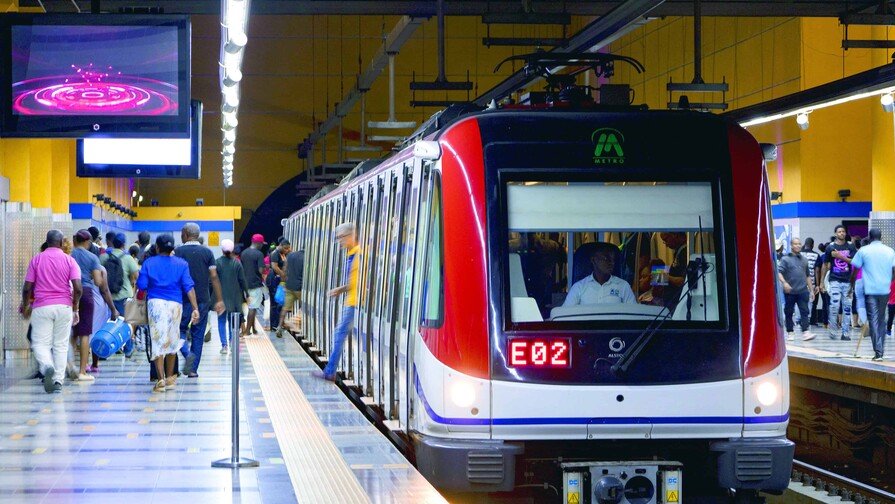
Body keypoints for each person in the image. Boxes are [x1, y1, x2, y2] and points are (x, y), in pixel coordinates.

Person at [20, 230, 83, 394]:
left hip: (42, 307)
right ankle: (58, 380)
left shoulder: (36, 259)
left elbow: (27, 288)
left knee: (40, 343)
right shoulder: (70, 260)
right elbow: (78, 288)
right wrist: (75, 307)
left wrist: (25, 305)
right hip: (64, 306)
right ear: (61, 243)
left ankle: (47, 365)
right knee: (61, 345)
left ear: (47, 242)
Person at [137, 234, 200, 392]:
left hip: (156, 304)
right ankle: (171, 378)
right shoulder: (182, 264)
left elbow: (142, 285)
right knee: (173, 339)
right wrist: (195, 308)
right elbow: (189, 287)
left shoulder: (149, 263)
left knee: (158, 340)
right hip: (175, 305)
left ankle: (160, 380)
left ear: (157, 247)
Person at [173, 223, 225, 377]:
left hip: (181, 298)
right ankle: (193, 370)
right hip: (202, 298)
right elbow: (214, 276)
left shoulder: (177, 252)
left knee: (179, 331)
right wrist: (219, 299)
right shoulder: (207, 252)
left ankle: (186, 353)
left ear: (185, 234)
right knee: (198, 334)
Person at [71, 230, 120, 380]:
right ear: (88, 242)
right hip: (89, 297)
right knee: (87, 333)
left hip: (70, 294)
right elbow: (100, 285)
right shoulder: (93, 260)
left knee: (73, 333)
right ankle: (85, 368)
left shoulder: (69, 255)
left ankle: (70, 365)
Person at [315, 223, 361, 381]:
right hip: (351, 301)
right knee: (340, 333)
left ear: (352, 235)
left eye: (342, 237)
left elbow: (359, 283)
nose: (340, 241)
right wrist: (341, 290)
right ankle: (330, 371)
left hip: (355, 303)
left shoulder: (359, 255)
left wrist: (341, 289)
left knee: (340, 333)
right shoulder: (353, 254)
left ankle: (330, 372)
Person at [848, 229, 895, 361]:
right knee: (881, 319)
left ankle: (878, 352)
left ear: (869, 237)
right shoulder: (890, 251)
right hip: (885, 289)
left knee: (873, 319)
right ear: (881, 237)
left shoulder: (864, 251)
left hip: (870, 290)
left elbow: (855, 270)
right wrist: (889, 280)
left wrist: (851, 286)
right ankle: (880, 350)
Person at [101, 232, 140, 357]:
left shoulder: (104, 257)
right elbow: (137, 276)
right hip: (124, 295)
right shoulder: (128, 258)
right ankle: (128, 348)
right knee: (126, 322)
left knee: (106, 322)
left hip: (107, 296)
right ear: (123, 244)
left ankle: (106, 347)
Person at [562, 243, 636, 306]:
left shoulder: (623, 286)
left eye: (613, 259)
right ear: (593, 260)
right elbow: (566, 314)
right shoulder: (578, 288)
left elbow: (633, 314)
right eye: (606, 258)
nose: (611, 263)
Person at [821, 225, 857, 340]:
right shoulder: (830, 247)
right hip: (834, 280)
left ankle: (845, 332)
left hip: (848, 281)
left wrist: (840, 256)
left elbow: (854, 261)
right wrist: (821, 282)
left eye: (843, 231)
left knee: (847, 308)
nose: (842, 233)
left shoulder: (850, 246)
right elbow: (825, 265)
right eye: (839, 232)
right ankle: (832, 329)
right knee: (834, 306)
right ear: (835, 233)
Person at [777, 237, 814, 341]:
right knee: (789, 311)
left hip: (803, 290)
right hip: (790, 291)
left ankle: (805, 331)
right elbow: (779, 272)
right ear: (791, 246)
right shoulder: (785, 259)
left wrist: (811, 290)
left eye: (799, 244)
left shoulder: (804, 260)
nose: (798, 246)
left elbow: (807, 276)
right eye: (795, 244)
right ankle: (790, 331)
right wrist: (784, 283)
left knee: (805, 311)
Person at [215, 239, 248, 354]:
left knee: (221, 321)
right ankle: (232, 342)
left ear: (222, 250)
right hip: (234, 298)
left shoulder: (217, 262)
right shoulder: (237, 263)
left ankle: (224, 346)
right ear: (232, 249)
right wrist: (247, 294)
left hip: (221, 297)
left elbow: (212, 280)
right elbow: (242, 280)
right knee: (232, 321)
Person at [240, 234, 266, 336]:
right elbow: (261, 270)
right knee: (253, 308)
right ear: (258, 243)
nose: (262, 246)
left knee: (252, 306)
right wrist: (265, 267)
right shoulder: (259, 254)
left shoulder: (244, 253)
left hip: (245, 284)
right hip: (255, 284)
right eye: (262, 244)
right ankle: (247, 330)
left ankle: (253, 328)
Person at [277, 246, 305, 337]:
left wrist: (283, 282)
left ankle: (279, 326)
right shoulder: (306, 257)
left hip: (289, 286)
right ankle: (294, 322)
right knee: (305, 307)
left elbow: (284, 269)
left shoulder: (290, 255)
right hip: (300, 287)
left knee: (285, 308)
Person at [267, 239, 290, 332]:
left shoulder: (282, 253)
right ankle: (274, 325)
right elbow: (274, 266)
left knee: (279, 303)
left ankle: (278, 324)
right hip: (273, 280)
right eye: (285, 248)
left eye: (288, 248)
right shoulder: (275, 254)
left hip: (278, 280)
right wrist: (283, 275)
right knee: (274, 303)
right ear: (280, 245)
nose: (286, 250)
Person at [800, 237, 820, 326]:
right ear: (812, 245)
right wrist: (818, 284)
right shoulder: (816, 255)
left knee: (800, 301)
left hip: (799, 282)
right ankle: (808, 319)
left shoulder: (799, 254)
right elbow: (817, 271)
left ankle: (799, 319)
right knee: (810, 301)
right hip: (811, 282)